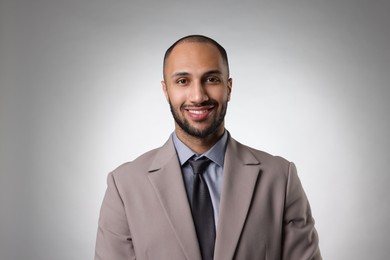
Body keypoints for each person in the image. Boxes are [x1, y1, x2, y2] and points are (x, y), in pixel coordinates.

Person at [95, 35, 322, 260]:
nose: (198, 96)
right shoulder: (124, 186)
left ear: (229, 88)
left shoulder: (281, 178)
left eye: (211, 79)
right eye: (183, 81)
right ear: (166, 91)